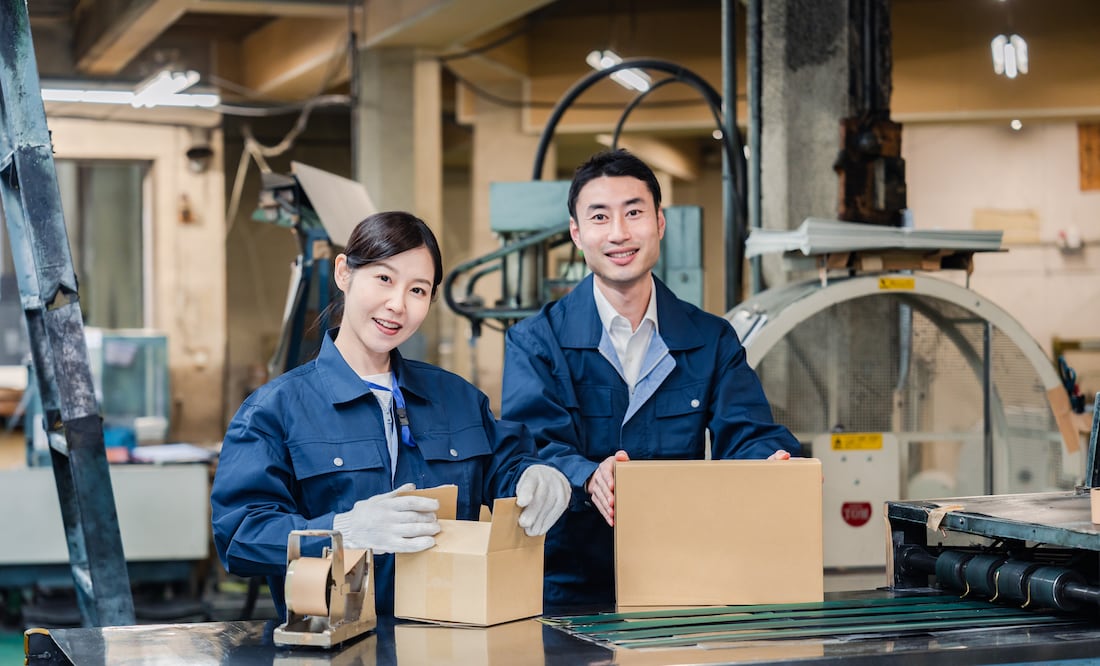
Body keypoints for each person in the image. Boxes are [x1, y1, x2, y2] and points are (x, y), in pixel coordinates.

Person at [212, 211, 571, 618]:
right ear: (344, 273)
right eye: (384, 279)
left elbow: (507, 464)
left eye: (417, 290)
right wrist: (343, 531)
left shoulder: (457, 399)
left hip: (448, 644)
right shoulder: (274, 410)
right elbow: (241, 537)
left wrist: (535, 474)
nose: (397, 305)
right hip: (336, 647)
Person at [501, 149, 800, 608]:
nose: (619, 233)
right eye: (600, 217)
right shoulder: (537, 342)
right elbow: (530, 450)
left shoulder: (710, 338)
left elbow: (747, 433)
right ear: (577, 234)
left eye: (634, 213)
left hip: (681, 572)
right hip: (569, 585)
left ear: (660, 223)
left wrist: (773, 462)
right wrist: (586, 475)